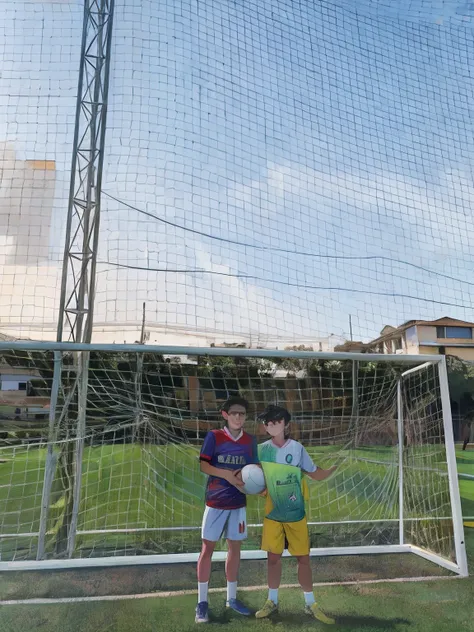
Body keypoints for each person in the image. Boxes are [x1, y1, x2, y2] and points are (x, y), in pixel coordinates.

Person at [255, 404, 337, 624]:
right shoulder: (261, 450)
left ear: (286, 424)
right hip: (273, 513)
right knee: (273, 559)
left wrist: (330, 471)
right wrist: (256, 487)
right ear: (265, 427)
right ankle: (272, 601)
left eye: (277, 421)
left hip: (295, 513)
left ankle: (311, 604)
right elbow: (256, 479)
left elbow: (314, 472)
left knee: (303, 559)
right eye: (268, 423)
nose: (272, 426)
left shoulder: (297, 449)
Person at [195, 396, 258, 624]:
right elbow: (204, 464)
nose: (238, 417)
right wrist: (227, 476)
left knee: (235, 549)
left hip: (238, 503)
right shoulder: (214, 436)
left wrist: (256, 485)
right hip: (215, 502)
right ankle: (202, 603)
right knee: (207, 549)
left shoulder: (250, 440)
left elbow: (254, 468)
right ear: (225, 415)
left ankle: (231, 598)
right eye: (234, 413)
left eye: (242, 414)